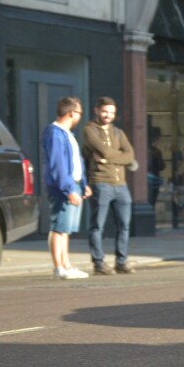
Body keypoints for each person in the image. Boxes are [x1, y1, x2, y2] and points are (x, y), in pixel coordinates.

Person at [81, 97, 137, 275]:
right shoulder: (89, 130)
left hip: (121, 185)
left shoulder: (119, 133)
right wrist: (119, 157)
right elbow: (105, 150)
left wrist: (106, 159)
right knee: (98, 226)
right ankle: (99, 263)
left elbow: (130, 156)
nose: (108, 115)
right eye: (105, 111)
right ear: (97, 110)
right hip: (101, 183)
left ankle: (121, 261)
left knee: (124, 226)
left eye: (112, 112)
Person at [41, 96, 91, 280]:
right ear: (71, 113)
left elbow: (76, 163)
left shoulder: (67, 134)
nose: (80, 116)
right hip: (63, 188)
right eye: (79, 113)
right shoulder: (55, 133)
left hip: (74, 185)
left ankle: (66, 264)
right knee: (59, 227)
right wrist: (69, 189)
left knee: (66, 229)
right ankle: (58, 268)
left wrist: (83, 184)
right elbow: (58, 165)